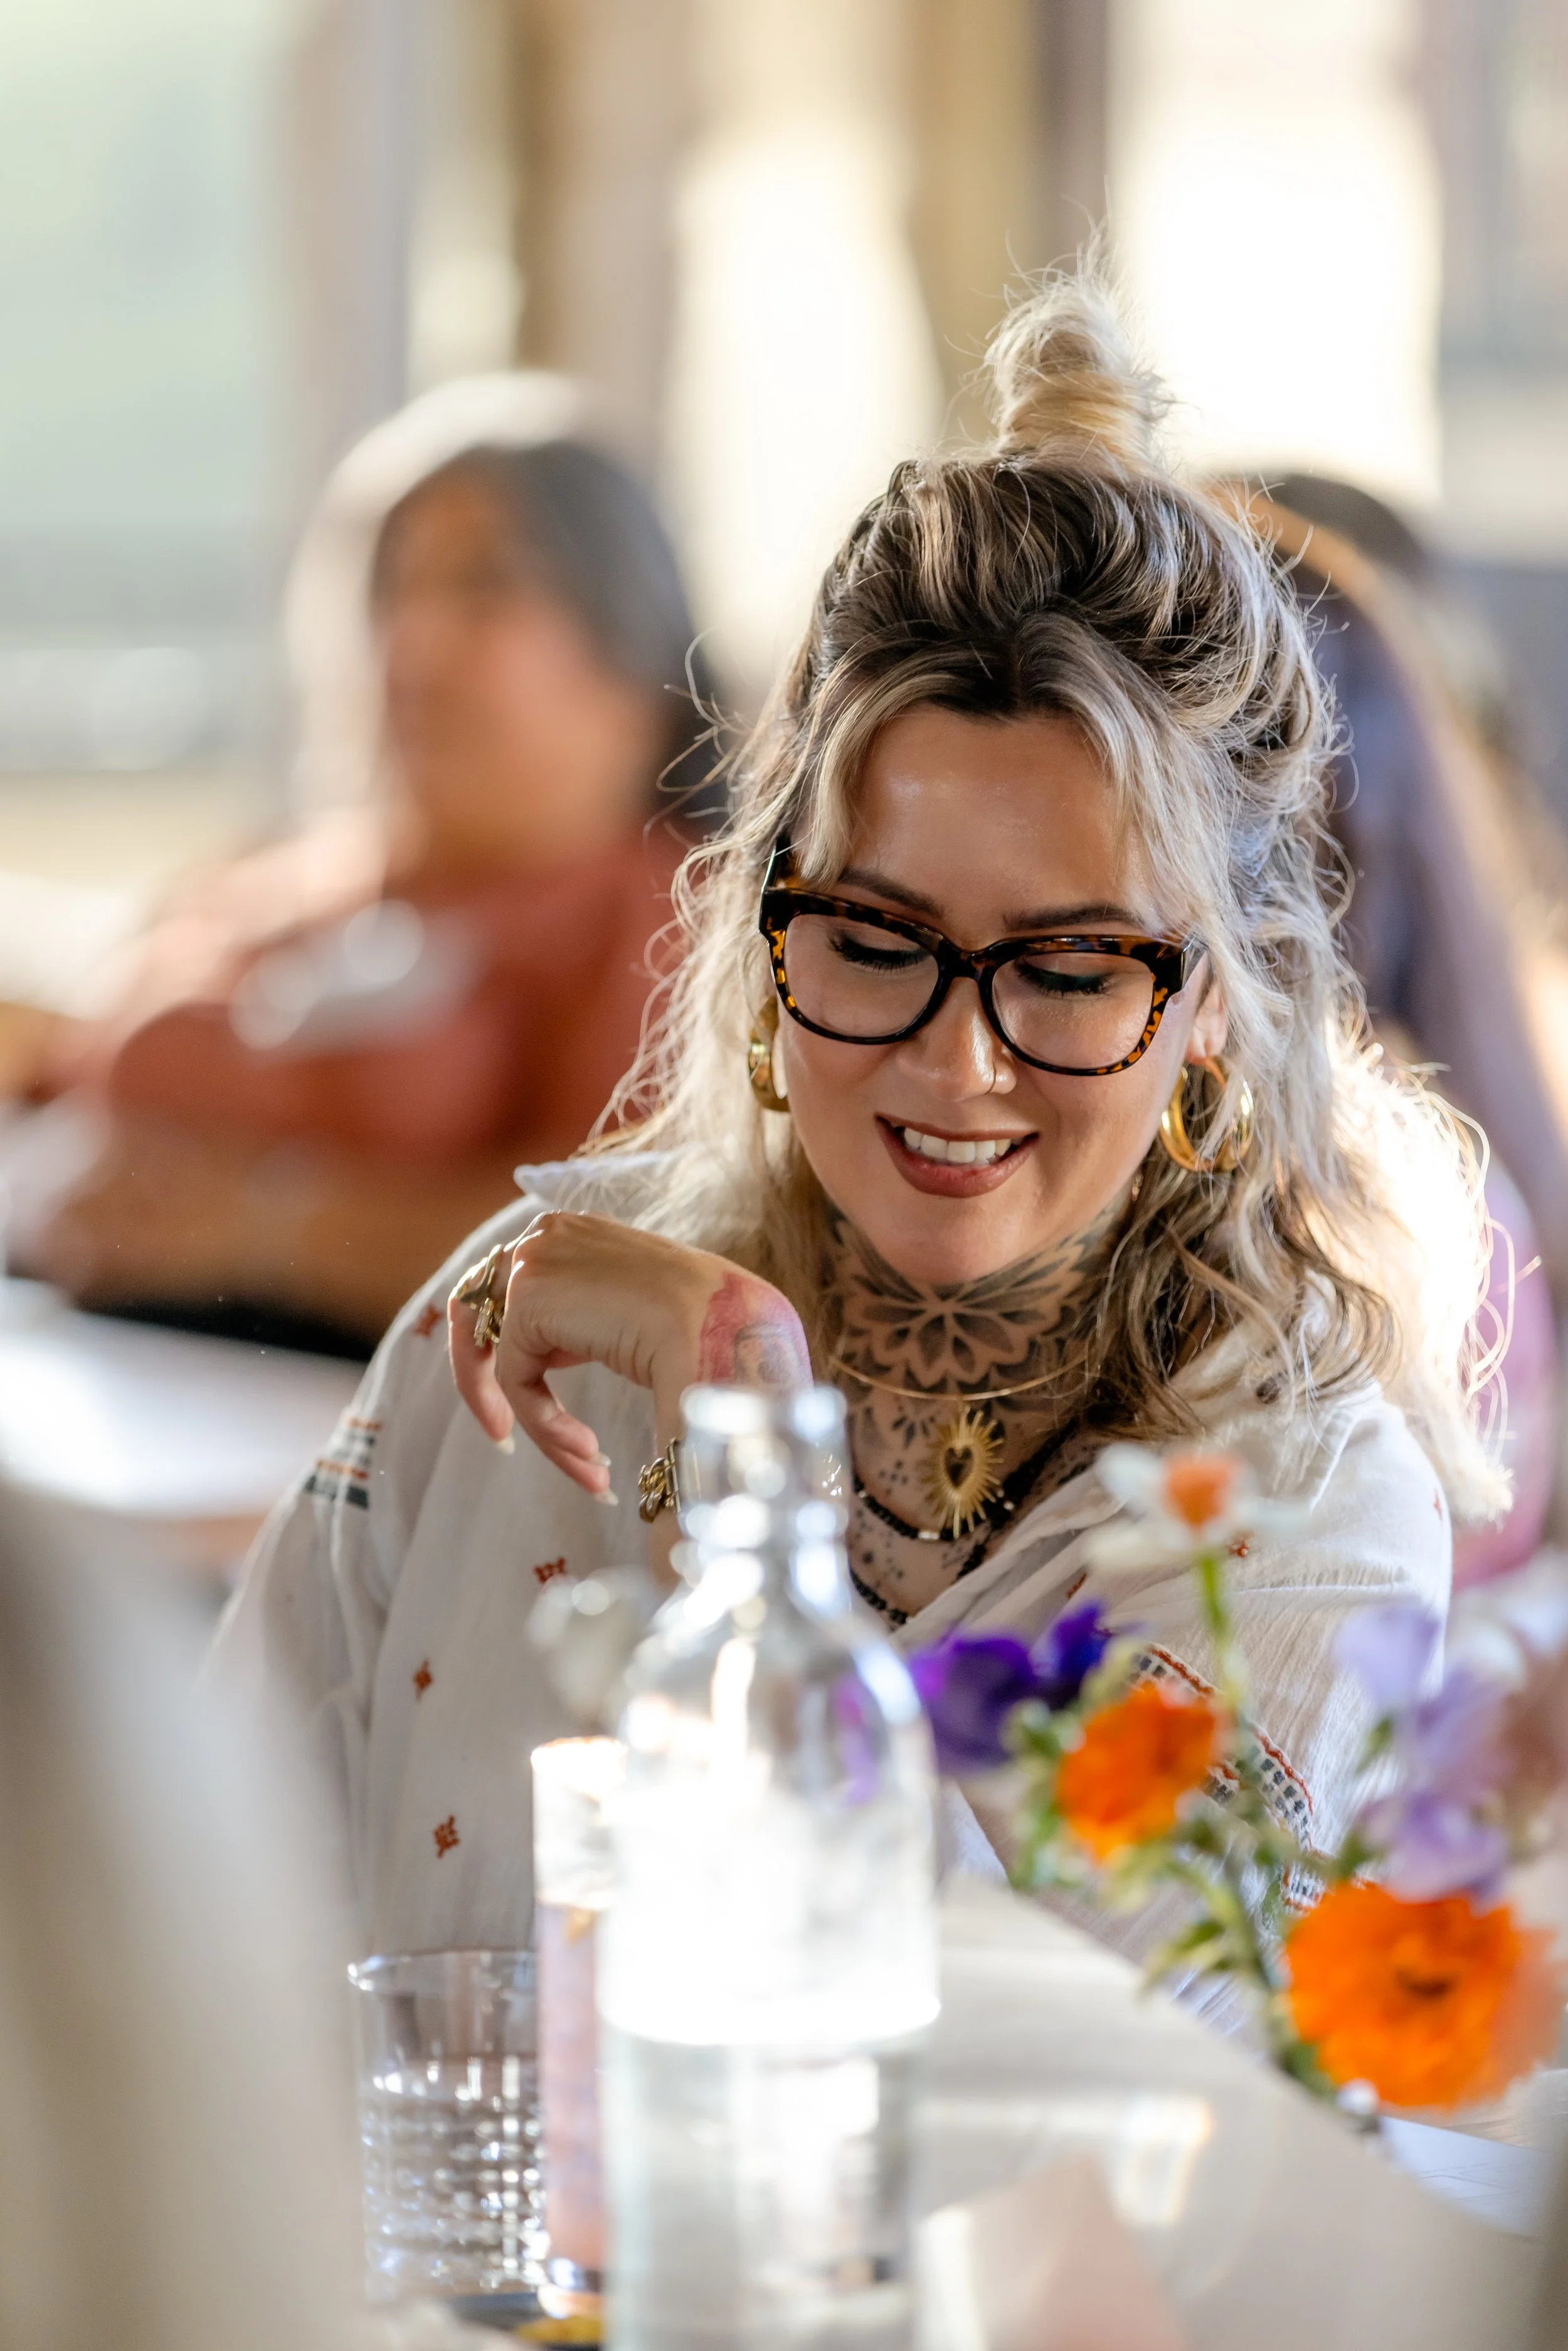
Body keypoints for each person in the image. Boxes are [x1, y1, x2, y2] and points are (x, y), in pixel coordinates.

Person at [210, 279, 1503, 1971]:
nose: (955, 1064)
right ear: (768, 935)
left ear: (1213, 1015)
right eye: (875, 939)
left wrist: (740, 1453)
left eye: (1068, 966)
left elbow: (1029, 2107)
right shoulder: (513, 1333)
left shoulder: (1297, 1519)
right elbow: (182, 1938)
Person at [14, 374, 714, 1358]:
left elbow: (633, 1251)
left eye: (483, 586)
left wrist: (268, 1227)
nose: (409, 640)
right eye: (392, 587)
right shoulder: (276, 874)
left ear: (629, 648)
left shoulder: (661, 913)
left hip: (349, 1442)